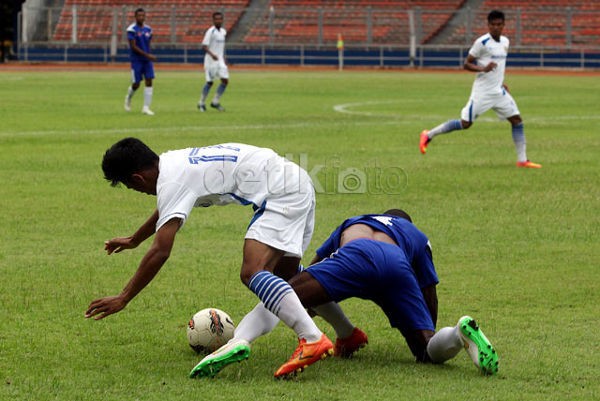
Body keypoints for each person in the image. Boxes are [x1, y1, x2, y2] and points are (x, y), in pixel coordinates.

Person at [85, 138, 333, 379]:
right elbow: (167, 207)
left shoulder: (172, 182)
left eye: (132, 187)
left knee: (252, 272)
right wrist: (134, 239)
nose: (138, 191)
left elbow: (160, 251)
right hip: (296, 181)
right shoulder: (173, 162)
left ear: (137, 178)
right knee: (287, 279)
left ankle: (311, 338)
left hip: (281, 193)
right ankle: (347, 332)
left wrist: (124, 297)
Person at [190, 210, 498, 378]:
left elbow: (312, 268)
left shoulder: (355, 221)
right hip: (396, 265)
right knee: (426, 352)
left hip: (356, 254)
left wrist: (301, 303)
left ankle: (239, 340)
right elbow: (428, 287)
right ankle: (458, 334)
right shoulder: (415, 235)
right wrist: (422, 325)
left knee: (284, 296)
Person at [419, 10, 541, 169]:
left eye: (499, 24)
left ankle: (522, 160)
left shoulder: (505, 42)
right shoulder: (481, 42)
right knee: (465, 124)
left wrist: (502, 83)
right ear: (488, 25)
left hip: (498, 92)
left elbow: (499, 66)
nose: (496, 27)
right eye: (493, 25)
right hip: (482, 93)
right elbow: (466, 64)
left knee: (517, 120)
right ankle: (428, 135)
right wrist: (483, 69)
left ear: (504, 25)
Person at [124, 8, 156, 116]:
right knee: (136, 84)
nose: (141, 18)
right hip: (137, 60)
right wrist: (148, 55)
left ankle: (146, 108)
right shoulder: (131, 29)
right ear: (135, 17)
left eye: (143, 16)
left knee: (149, 81)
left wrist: (149, 54)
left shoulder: (148, 29)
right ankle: (128, 97)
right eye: (139, 16)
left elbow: (148, 43)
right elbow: (133, 46)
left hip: (147, 61)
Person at [198, 12, 228, 112]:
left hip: (220, 61)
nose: (218, 21)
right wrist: (212, 55)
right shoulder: (210, 31)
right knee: (210, 82)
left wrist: (223, 57)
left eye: (220, 19)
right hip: (210, 61)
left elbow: (221, 47)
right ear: (213, 20)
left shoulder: (223, 32)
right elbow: (204, 46)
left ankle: (215, 102)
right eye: (216, 19)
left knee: (225, 80)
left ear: (222, 20)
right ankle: (201, 102)